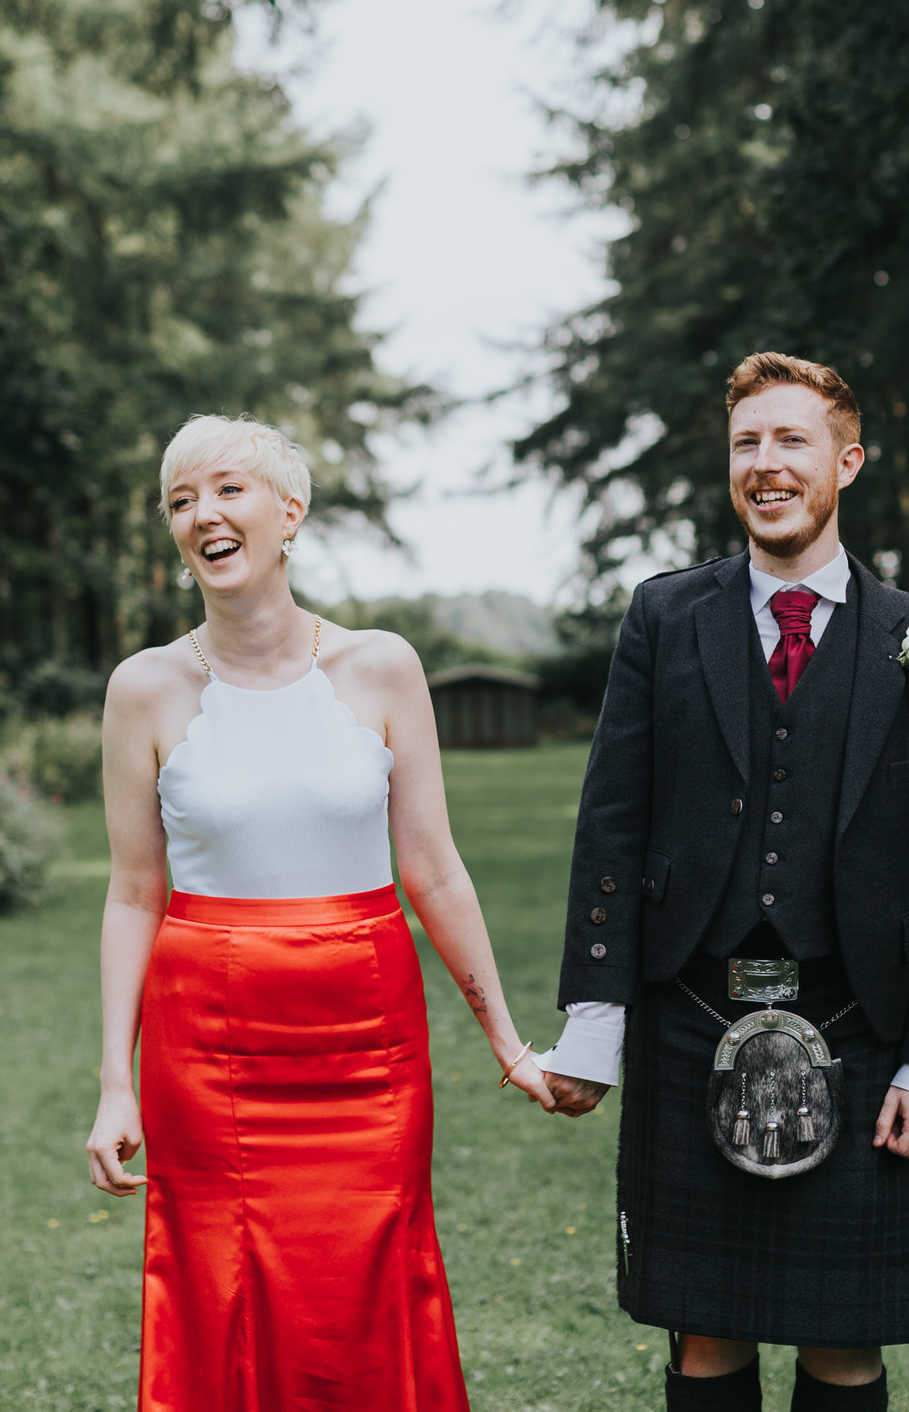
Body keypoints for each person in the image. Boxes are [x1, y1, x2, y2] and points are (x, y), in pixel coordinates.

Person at [534, 353, 909, 1410]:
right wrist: (595, 1019)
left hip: (857, 1018)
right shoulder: (664, 618)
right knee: (707, 1335)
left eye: (790, 440)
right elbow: (611, 824)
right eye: (747, 442)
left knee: (845, 1338)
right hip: (690, 1005)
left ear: (847, 458)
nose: (766, 463)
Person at [86, 414, 557, 1411]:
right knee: (220, 1283)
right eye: (179, 499)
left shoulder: (381, 667)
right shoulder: (144, 688)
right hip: (208, 1052)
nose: (202, 514)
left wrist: (506, 1040)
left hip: (366, 1047)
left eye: (225, 489)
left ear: (288, 512)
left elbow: (432, 869)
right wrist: (113, 1086)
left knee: (370, 1277)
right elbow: (134, 894)